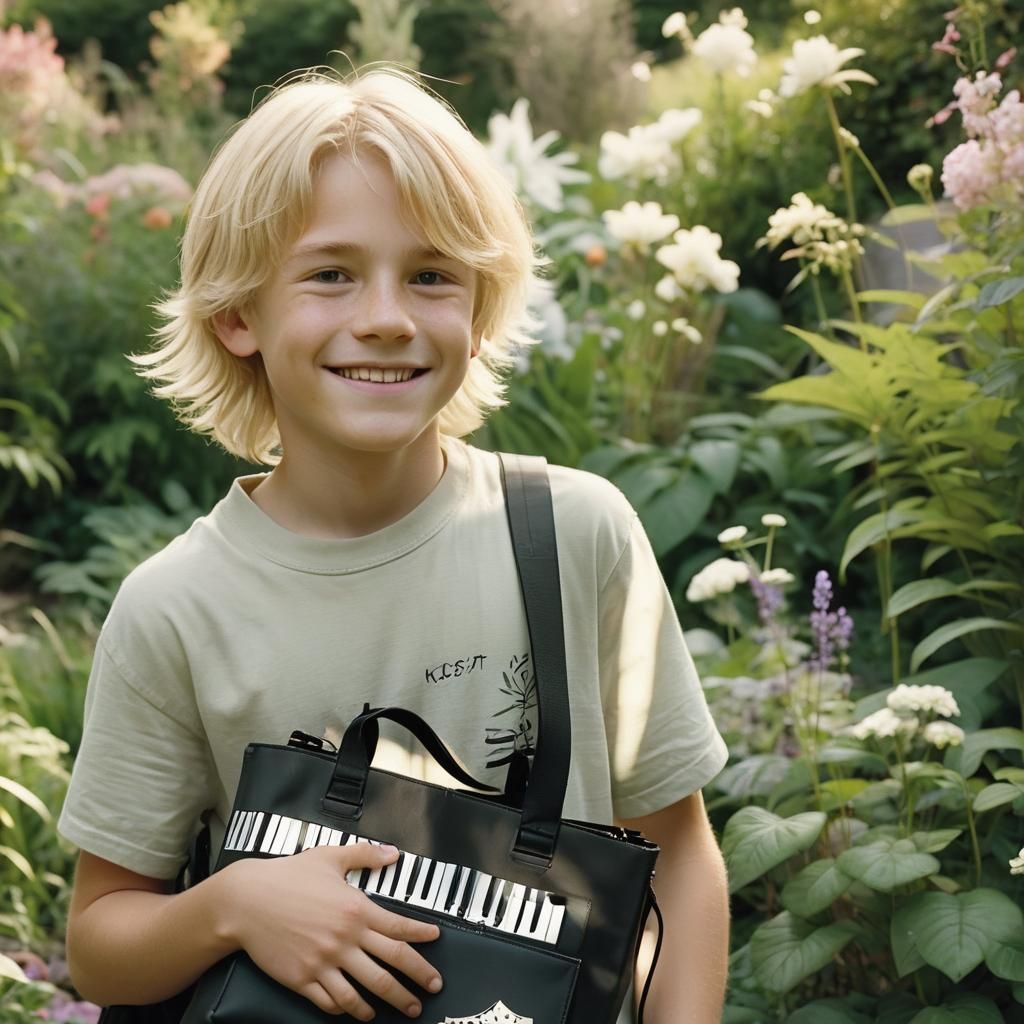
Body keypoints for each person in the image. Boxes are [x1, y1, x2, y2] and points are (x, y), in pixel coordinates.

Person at [58, 68, 730, 1023]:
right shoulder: (177, 608)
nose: (386, 315)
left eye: (431, 274)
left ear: (480, 306)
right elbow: (101, 942)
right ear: (238, 314)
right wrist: (233, 905)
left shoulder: (575, 536)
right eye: (330, 273)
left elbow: (681, 856)